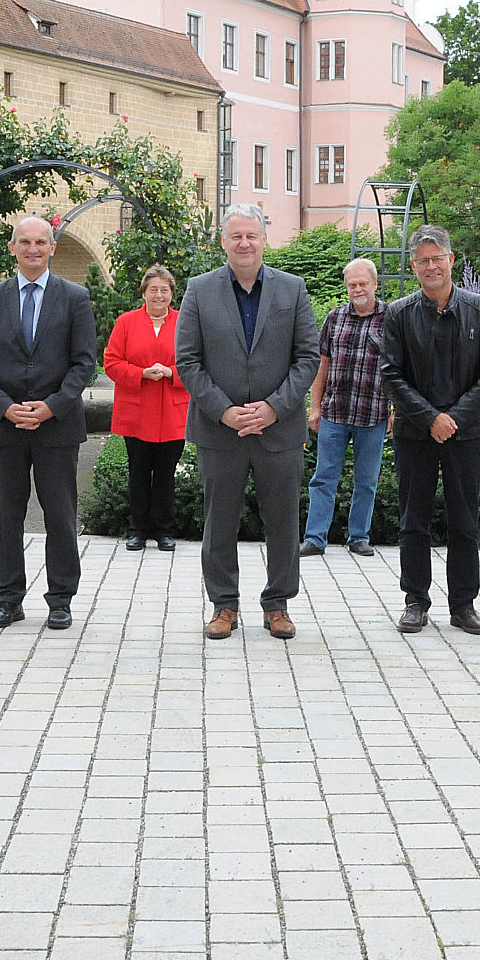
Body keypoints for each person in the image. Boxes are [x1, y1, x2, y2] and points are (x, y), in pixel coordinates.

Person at [177, 203, 320, 641]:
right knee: (219, 520)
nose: (244, 243)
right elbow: (188, 360)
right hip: (221, 429)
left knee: (282, 521)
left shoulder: (292, 290)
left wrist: (274, 407)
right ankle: (224, 604)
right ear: (223, 241)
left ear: (263, 239)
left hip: (278, 428)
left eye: (251, 236)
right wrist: (224, 409)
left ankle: (277, 604)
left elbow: (307, 356)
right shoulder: (199, 291)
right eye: (236, 236)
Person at [0, 216, 99, 631]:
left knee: (60, 514)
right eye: (25, 242)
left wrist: (53, 406)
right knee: (6, 516)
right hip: (4, 426)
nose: (33, 249)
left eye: (41, 242)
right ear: (12, 248)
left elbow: (84, 363)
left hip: (56, 426)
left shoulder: (75, 297)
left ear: (52, 248)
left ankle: (61, 598)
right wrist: (5, 407)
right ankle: (9, 598)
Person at [381, 224, 480, 636]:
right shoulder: (398, 313)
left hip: (466, 434)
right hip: (416, 435)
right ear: (413, 266)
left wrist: (455, 418)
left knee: (464, 521)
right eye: (422, 261)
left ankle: (463, 604)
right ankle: (415, 600)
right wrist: (430, 418)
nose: (431, 266)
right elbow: (392, 374)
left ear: (451, 260)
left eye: (438, 258)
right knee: (413, 520)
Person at [302, 258, 390, 559]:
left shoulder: (392, 318)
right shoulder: (335, 317)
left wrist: (396, 411)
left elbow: (401, 369)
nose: (357, 289)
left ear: (375, 284)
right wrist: (315, 407)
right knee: (324, 477)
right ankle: (315, 538)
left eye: (362, 283)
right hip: (334, 412)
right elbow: (321, 364)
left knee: (367, 480)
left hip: (373, 413)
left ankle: (359, 537)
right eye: (351, 284)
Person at [104, 265, 189, 552]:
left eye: (164, 289)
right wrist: (141, 373)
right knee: (138, 472)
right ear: (143, 292)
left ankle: (164, 531)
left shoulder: (184, 322)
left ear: (172, 294)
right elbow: (112, 362)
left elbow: (194, 364)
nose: (159, 295)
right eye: (153, 289)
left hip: (173, 412)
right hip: (137, 412)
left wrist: (170, 373)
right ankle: (137, 530)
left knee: (166, 474)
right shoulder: (126, 322)